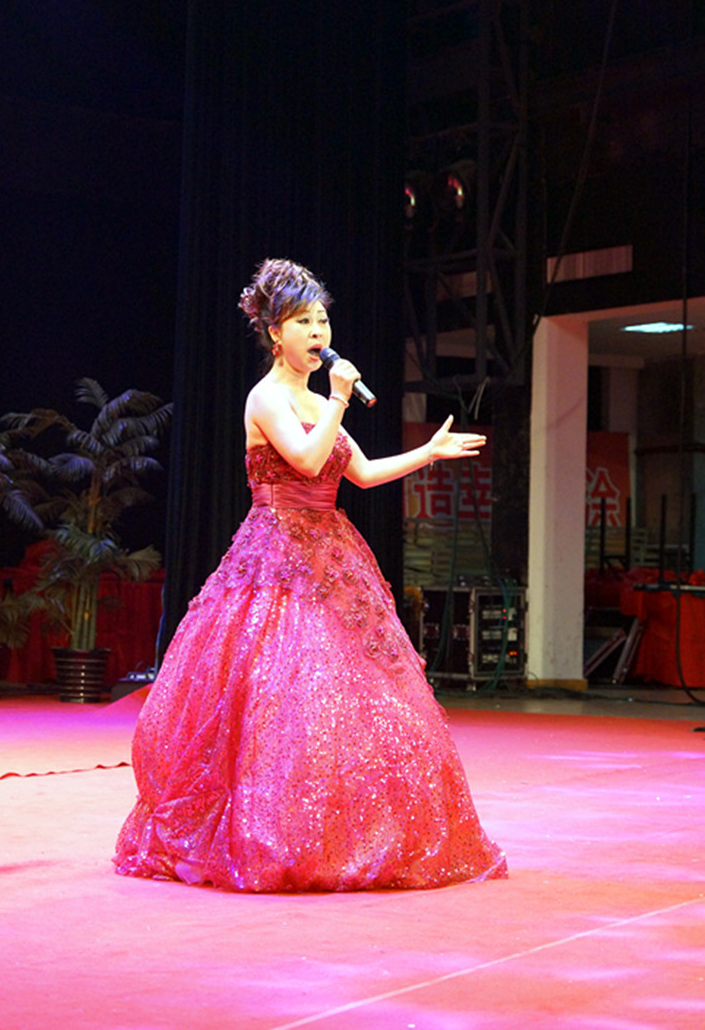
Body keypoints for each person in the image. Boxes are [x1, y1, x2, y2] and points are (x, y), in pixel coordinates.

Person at [114, 259, 507, 891]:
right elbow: (304, 459)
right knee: (281, 693)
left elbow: (363, 473)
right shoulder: (266, 398)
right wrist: (341, 400)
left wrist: (427, 453)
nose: (318, 332)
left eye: (322, 320)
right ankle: (268, 834)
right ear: (276, 334)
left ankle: (341, 835)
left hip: (331, 553)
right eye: (304, 322)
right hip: (276, 555)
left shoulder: (321, 402)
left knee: (353, 696)